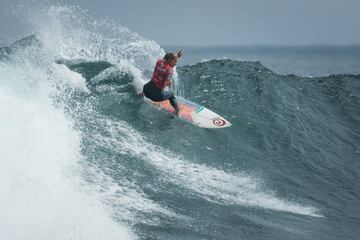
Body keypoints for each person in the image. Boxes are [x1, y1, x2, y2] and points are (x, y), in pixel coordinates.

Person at [143, 49, 183, 114]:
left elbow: (165, 61)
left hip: (145, 90)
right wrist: (169, 83)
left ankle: (141, 94)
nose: (175, 64)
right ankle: (177, 111)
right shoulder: (170, 70)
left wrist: (176, 56)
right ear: (170, 60)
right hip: (154, 97)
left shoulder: (158, 62)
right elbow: (165, 83)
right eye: (175, 61)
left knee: (153, 84)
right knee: (171, 95)